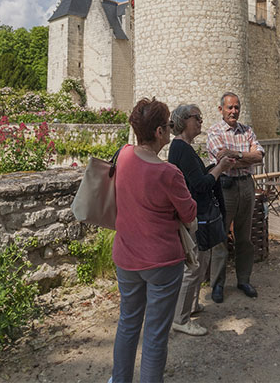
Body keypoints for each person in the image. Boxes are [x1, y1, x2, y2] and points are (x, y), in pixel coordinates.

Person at [111, 98, 197, 383]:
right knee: (155, 335)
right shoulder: (167, 173)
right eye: (168, 127)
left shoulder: (123, 155)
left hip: (126, 256)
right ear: (160, 132)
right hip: (162, 261)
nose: (170, 132)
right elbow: (189, 212)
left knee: (127, 324)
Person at [168, 104, 235, 336]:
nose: (200, 122)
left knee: (200, 261)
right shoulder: (181, 149)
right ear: (184, 120)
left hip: (195, 213)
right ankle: (180, 318)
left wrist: (215, 166)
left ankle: (191, 305)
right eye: (197, 118)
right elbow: (200, 185)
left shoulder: (183, 147)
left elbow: (197, 177)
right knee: (194, 266)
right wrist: (220, 168)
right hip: (193, 215)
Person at [206, 92, 264, 303]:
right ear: (221, 109)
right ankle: (218, 284)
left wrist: (236, 155)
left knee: (245, 236)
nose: (234, 111)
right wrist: (243, 157)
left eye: (237, 107)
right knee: (221, 237)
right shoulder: (214, 132)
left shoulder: (247, 130)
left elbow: (259, 156)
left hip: (247, 186)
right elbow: (222, 159)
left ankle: (244, 279)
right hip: (225, 187)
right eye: (230, 107)